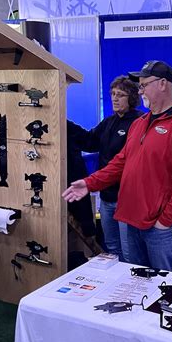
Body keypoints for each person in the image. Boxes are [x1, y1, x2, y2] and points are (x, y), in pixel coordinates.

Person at [62, 61, 172, 272]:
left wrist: (165, 221)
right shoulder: (139, 124)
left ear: (163, 84)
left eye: (144, 85)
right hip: (130, 221)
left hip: (161, 229)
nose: (140, 91)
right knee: (133, 281)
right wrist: (89, 183)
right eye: (139, 86)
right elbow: (120, 162)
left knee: (163, 284)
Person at [67, 76, 143, 262]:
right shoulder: (109, 122)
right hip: (107, 197)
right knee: (112, 246)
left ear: (132, 97)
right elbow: (89, 141)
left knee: (129, 250)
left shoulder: (139, 122)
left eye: (120, 95)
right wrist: (64, 123)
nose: (115, 98)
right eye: (113, 94)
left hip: (127, 197)